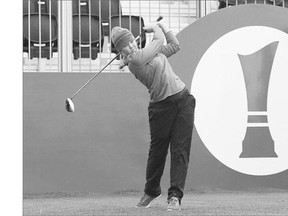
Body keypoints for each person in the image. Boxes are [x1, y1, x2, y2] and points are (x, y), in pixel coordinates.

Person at [111, 22, 196, 211]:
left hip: (183, 101)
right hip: (160, 109)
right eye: (126, 45)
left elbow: (174, 46)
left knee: (180, 150)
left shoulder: (148, 54)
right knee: (157, 153)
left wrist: (166, 28)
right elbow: (158, 40)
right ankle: (151, 191)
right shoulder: (136, 62)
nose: (132, 45)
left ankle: (175, 196)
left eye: (132, 40)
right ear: (121, 50)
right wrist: (156, 27)